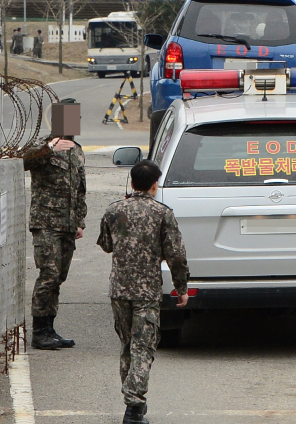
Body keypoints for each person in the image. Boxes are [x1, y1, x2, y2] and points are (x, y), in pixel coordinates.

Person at [98, 160, 189, 424]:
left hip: (119, 290)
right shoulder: (162, 213)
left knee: (128, 346)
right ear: (154, 185)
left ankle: (131, 401)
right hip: (147, 291)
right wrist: (181, 287)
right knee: (143, 349)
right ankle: (134, 409)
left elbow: (106, 245)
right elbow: (176, 255)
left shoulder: (114, 210)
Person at [23, 125, 86, 350]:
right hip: (46, 222)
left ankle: (49, 328)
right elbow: (24, 162)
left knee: (58, 277)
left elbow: (80, 190)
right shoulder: (43, 146)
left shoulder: (77, 151)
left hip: (67, 225)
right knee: (48, 274)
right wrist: (50, 147)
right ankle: (39, 332)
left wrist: (80, 221)